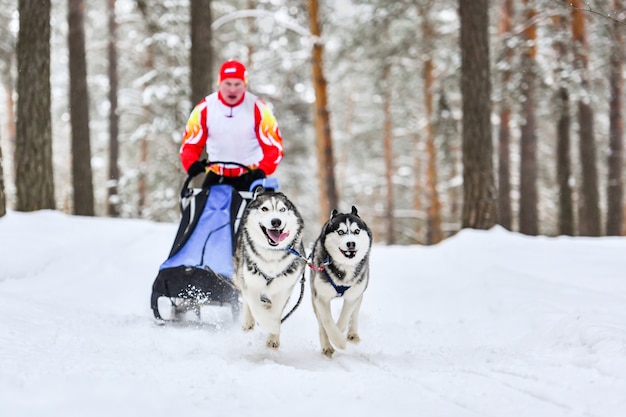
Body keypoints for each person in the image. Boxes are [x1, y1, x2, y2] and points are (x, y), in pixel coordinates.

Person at [179, 59, 284, 191]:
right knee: (201, 210)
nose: (232, 89)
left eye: (237, 84)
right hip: (217, 176)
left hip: (251, 176)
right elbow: (190, 144)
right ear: (219, 83)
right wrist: (191, 163)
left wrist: (263, 169)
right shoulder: (205, 108)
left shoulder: (259, 109)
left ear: (244, 85)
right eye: (227, 83)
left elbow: (274, 147)